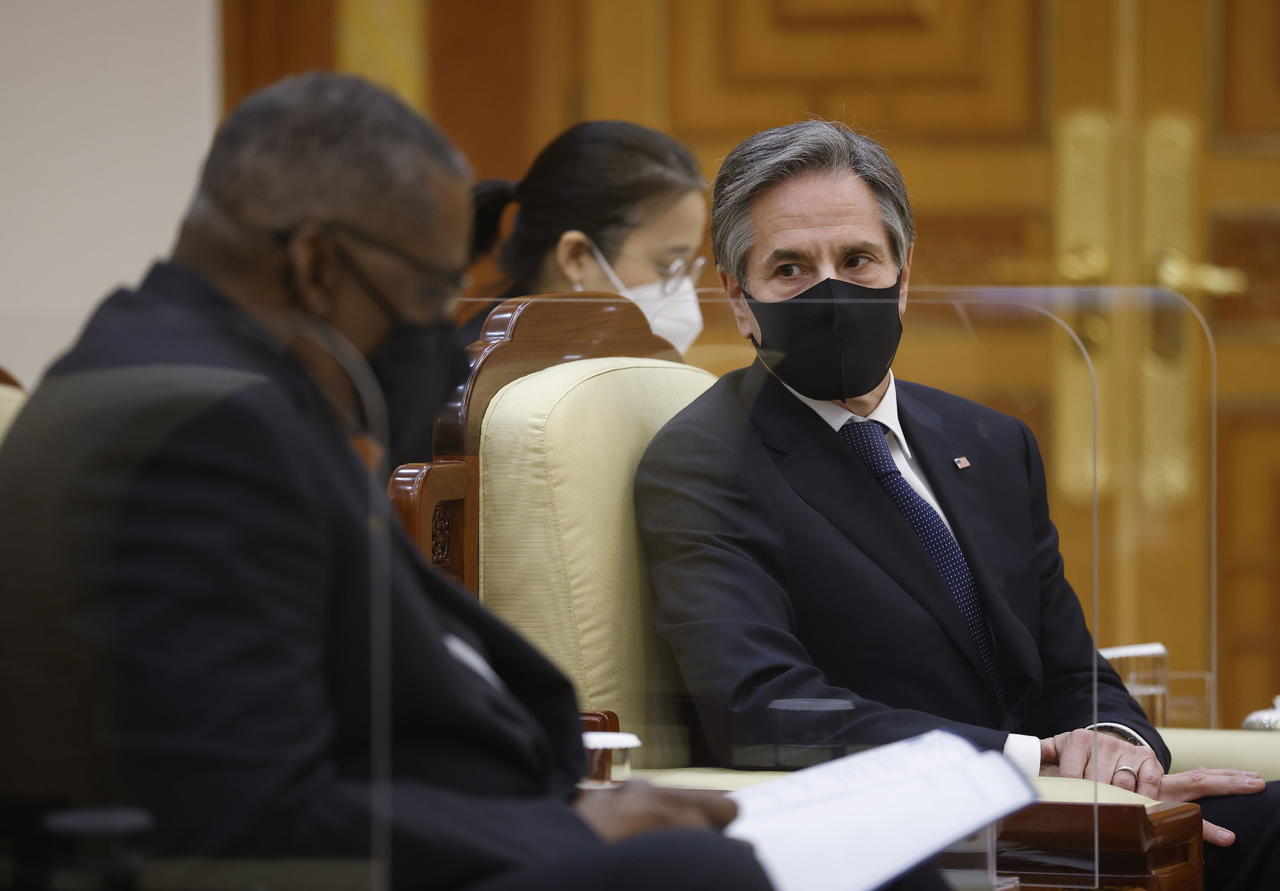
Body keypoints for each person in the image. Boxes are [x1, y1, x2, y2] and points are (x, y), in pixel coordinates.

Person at [0, 73, 776, 891]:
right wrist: (566, 830)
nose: (440, 331)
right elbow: (243, 819)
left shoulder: (203, 379)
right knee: (698, 874)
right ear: (317, 263)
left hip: (450, 825)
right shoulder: (194, 425)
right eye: (432, 290)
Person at [634, 120, 1280, 891]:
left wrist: (1116, 749)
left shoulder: (991, 441)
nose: (831, 291)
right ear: (740, 299)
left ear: (903, 274)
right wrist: (1033, 760)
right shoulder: (705, 460)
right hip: (905, 840)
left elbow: (1071, 669)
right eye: (790, 268)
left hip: (1063, 823)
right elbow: (763, 706)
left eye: (857, 260)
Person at [458, 120, 708, 356]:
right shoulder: (480, 377)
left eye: (689, 267)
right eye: (667, 266)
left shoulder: (600, 364)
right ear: (576, 256)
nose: (685, 291)